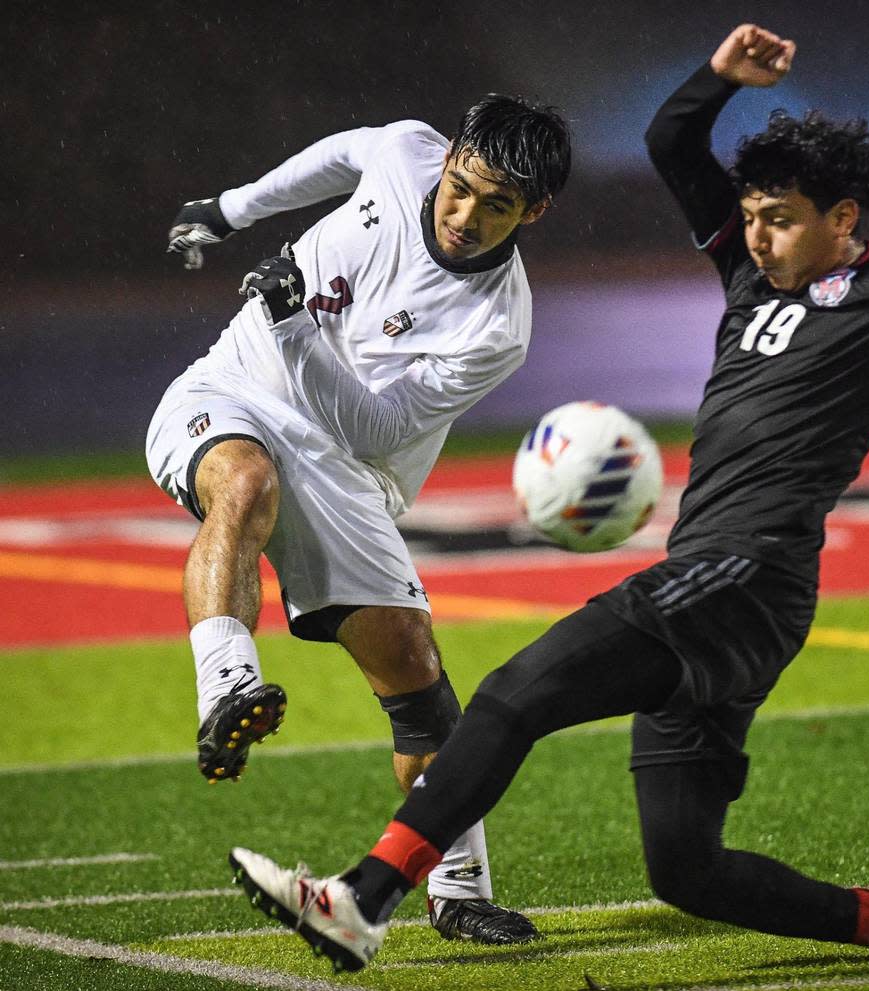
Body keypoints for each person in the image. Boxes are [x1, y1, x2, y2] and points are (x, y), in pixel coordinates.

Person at [228, 22, 869, 973]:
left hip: (743, 577)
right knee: (686, 870)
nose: (754, 233)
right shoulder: (748, 278)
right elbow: (674, 143)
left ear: (844, 216)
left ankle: (361, 899)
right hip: (721, 598)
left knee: (511, 694)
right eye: (748, 213)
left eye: (779, 216)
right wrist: (716, 79)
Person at [146, 93, 572, 945]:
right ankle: (227, 684)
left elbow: (371, 428)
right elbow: (342, 153)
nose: (463, 215)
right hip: (234, 388)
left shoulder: (498, 325)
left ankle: (459, 889)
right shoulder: (406, 150)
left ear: (535, 211)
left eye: (497, 206)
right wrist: (231, 209)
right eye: (460, 187)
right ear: (445, 159)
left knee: (417, 682)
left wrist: (296, 323)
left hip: (350, 463)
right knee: (245, 484)